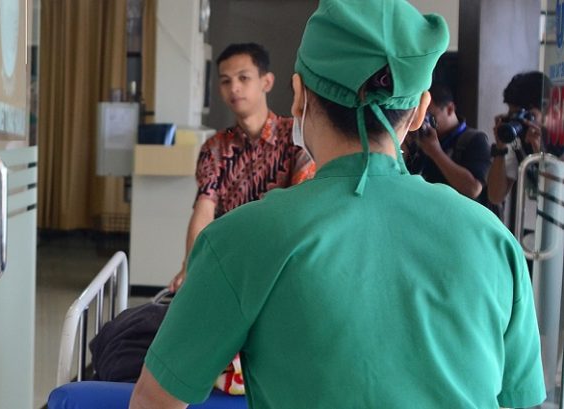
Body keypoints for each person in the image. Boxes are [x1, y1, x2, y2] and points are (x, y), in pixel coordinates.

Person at [130, 1, 545, 408]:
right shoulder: (494, 241)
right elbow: (520, 401)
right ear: (420, 111)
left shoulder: (241, 240)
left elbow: (155, 401)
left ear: (297, 97)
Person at [167, 43, 314, 292]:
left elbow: (300, 209)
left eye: (243, 78)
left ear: (266, 82)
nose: (233, 88)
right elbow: (204, 210)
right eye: (225, 81)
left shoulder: (297, 137)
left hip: (282, 264)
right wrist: (190, 267)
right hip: (227, 264)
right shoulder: (215, 147)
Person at [406, 84, 496, 213]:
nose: (425, 123)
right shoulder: (421, 139)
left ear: (449, 109)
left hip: (458, 216)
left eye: (430, 117)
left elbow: (473, 189)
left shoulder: (475, 140)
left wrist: (436, 153)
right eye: (421, 117)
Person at [487, 71, 557, 215]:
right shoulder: (518, 140)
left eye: (524, 115)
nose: (518, 121)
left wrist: (539, 151)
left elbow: (553, 191)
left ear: (546, 108)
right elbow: (495, 196)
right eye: (512, 114)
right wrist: (500, 148)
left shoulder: (558, 141)